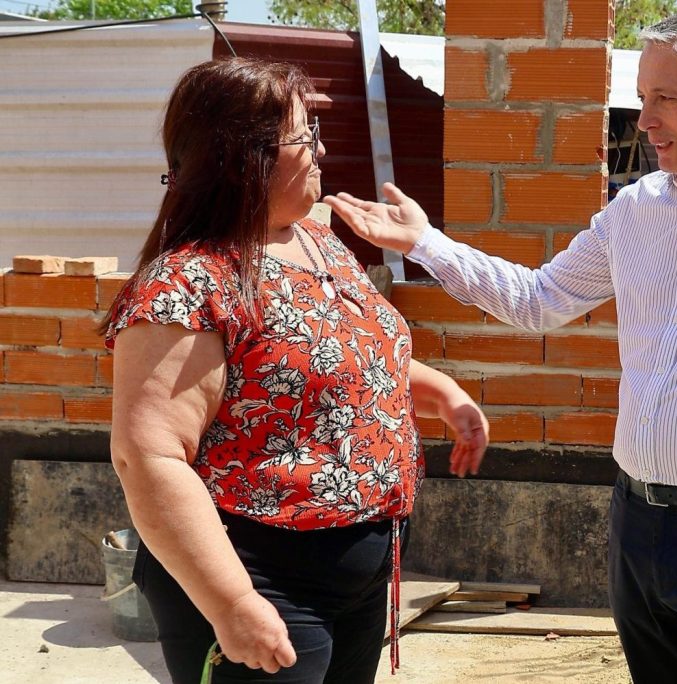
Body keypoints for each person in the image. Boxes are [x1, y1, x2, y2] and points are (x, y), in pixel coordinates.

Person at [324, 7, 677, 683]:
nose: (646, 121)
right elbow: (539, 298)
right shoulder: (635, 211)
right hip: (635, 524)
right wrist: (426, 243)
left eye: (665, 98)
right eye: (642, 97)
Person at [105, 57, 488, 684]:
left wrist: (443, 395)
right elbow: (149, 457)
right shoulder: (186, 286)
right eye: (304, 135)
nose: (321, 149)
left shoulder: (315, 241)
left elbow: (344, 360)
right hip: (258, 577)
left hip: (360, 573)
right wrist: (232, 603)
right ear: (245, 158)